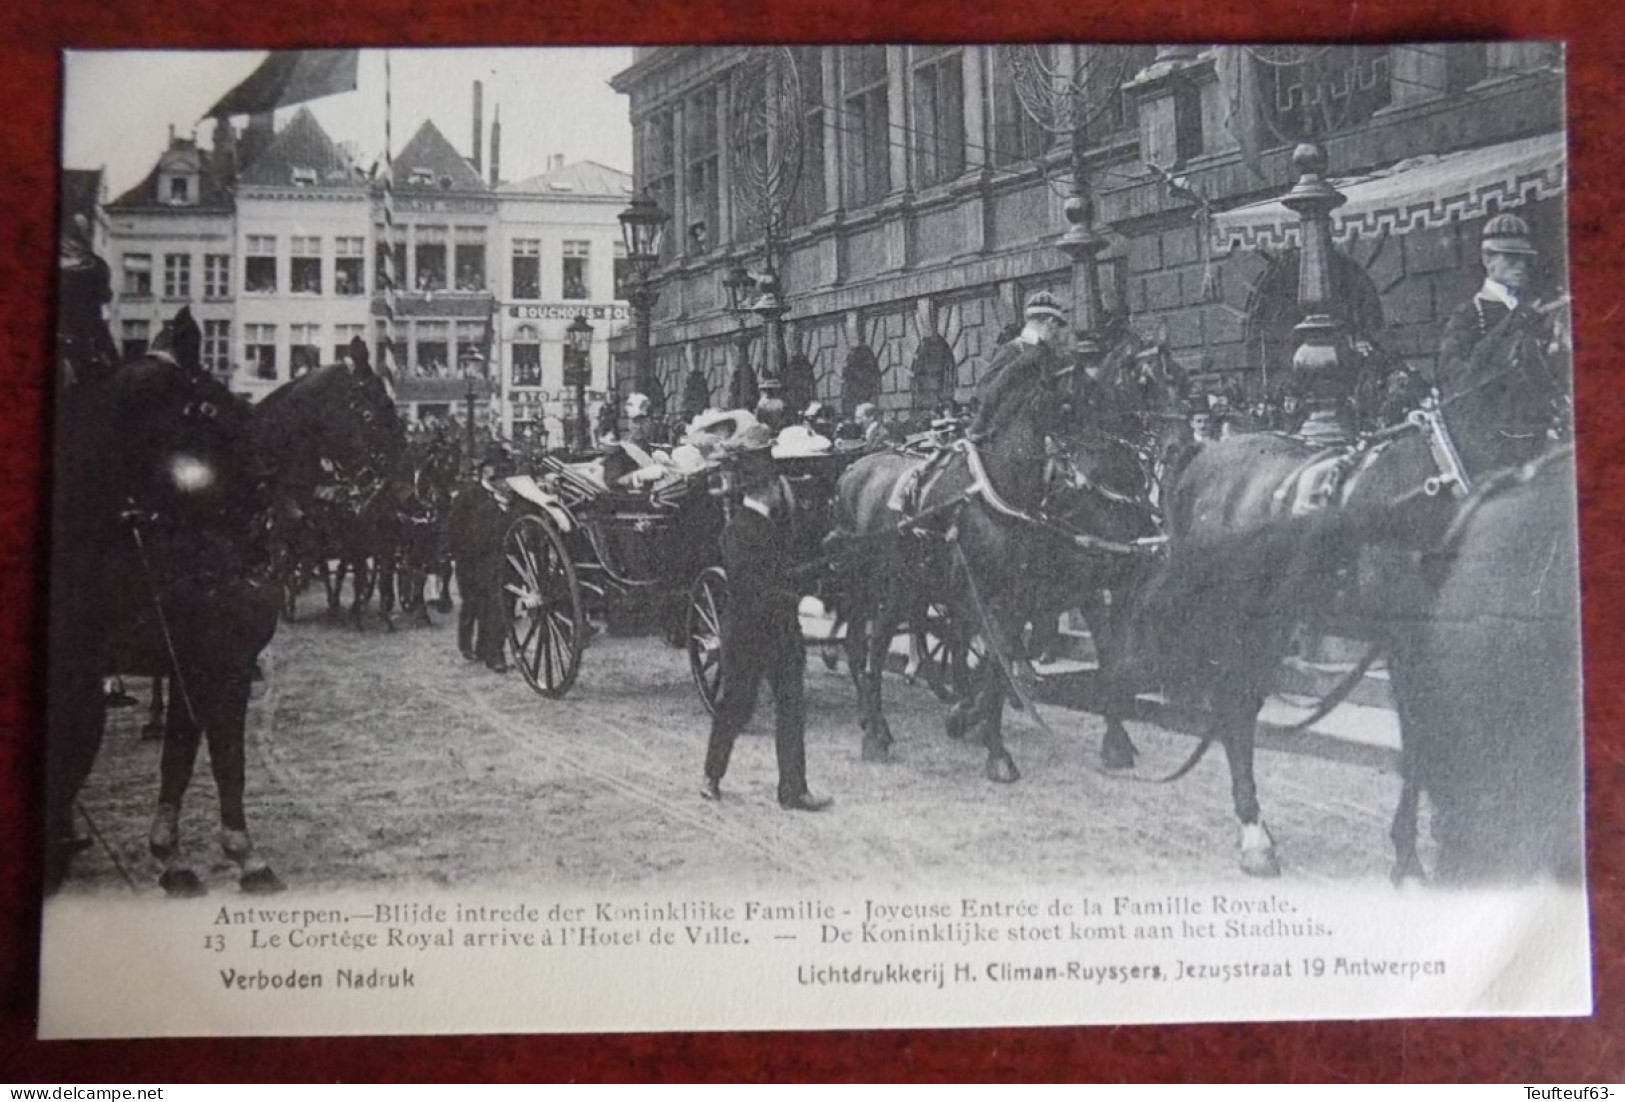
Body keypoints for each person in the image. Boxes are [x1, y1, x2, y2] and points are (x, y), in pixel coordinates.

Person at [701, 424, 831, 812]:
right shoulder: (738, 531)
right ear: (768, 488)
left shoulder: (771, 526)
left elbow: (789, 569)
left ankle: (793, 789)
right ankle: (712, 774)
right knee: (737, 706)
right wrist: (801, 602)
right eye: (776, 483)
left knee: (791, 706)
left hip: (780, 632)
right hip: (748, 635)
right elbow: (753, 589)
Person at [1434, 212, 1571, 463]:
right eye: (1510, 257)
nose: (1521, 266)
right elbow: (1458, 383)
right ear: (1487, 259)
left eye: (1525, 258)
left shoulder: (1535, 309)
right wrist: (1512, 323)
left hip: (1536, 430)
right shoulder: (1468, 315)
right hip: (1490, 439)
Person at [449, 443, 514, 673]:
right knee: (473, 605)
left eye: (504, 471)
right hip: (473, 561)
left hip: (502, 560)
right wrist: (458, 556)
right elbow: (454, 527)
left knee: (499, 606)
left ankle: (493, 651)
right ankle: (468, 644)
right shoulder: (469, 495)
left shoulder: (510, 498)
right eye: (497, 470)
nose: (502, 477)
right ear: (486, 470)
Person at [969, 291, 1069, 440]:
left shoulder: (1049, 353)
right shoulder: (1013, 349)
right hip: (1009, 439)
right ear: (1049, 321)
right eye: (1056, 325)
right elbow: (984, 390)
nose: (1056, 333)